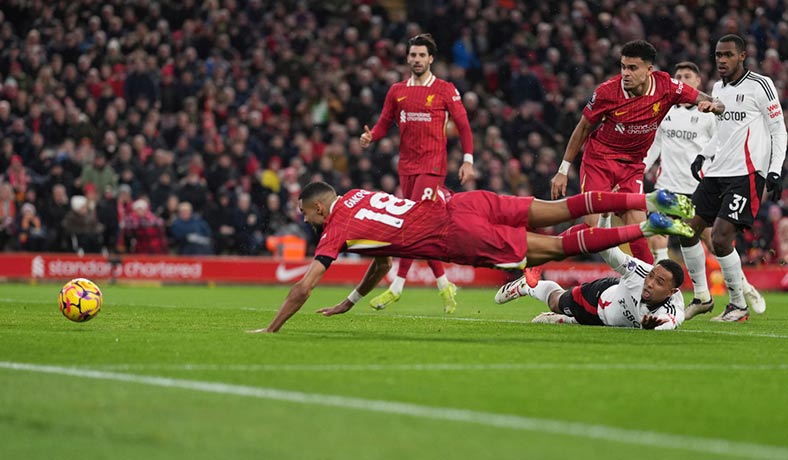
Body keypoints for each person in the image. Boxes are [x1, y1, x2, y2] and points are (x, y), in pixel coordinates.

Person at [249, 181, 696, 333]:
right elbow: (382, 261)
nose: (306, 220)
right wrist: (351, 300)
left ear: (319, 208)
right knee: (560, 210)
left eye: (306, 213)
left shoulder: (336, 227)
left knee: (557, 246)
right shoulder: (356, 198)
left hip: (456, 234)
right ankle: (647, 200)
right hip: (466, 202)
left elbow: (304, 286)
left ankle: (644, 227)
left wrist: (270, 328)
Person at [550, 40, 724, 265]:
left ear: (649, 70)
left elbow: (709, 100)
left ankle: (649, 293)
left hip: (632, 167)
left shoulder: (666, 86)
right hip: (600, 161)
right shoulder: (607, 92)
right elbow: (583, 127)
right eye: (623, 67)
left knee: (639, 234)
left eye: (633, 68)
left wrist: (714, 106)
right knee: (592, 228)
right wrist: (563, 169)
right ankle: (545, 258)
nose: (626, 73)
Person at [359, 33, 475, 313]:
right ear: (407, 58)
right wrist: (370, 137)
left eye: (422, 55)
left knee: (410, 224)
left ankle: (396, 286)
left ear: (431, 58)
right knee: (417, 229)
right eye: (413, 55)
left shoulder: (446, 89)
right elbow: (384, 123)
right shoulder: (397, 91)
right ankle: (444, 283)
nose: (417, 59)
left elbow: (464, 126)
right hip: (406, 168)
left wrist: (468, 160)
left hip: (433, 167)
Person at [679, 34, 787, 322]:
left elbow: (778, 129)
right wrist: (704, 155)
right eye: (718, 55)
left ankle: (738, 305)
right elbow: (722, 133)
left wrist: (775, 169)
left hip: (746, 172)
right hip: (717, 171)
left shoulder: (761, 85)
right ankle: (702, 296)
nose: (721, 60)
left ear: (742, 56)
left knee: (721, 238)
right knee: (686, 230)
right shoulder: (717, 89)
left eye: (727, 55)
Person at [495, 214, 685, 330]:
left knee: (587, 323)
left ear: (671, 292)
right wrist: (604, 218)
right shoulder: (639, 272)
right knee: (556, 302)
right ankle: (526, 286)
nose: (650, 282)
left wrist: (654, 327)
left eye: (659, 282)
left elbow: (670, 322)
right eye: (652, 276)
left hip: (608, 322)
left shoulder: (672, 308)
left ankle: (568, 320)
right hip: (599, 299)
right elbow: (609, 251)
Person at [643, 61, 717, 264]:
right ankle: (664, 285)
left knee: (713, 240)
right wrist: (640, 169)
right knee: (658, 233)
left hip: (697, 188)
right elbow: (654, 146)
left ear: (698, 81)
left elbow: (718, 147)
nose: (682, 81)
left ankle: (740, 287)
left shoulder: (709, 113)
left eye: (687, 77)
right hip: (666, 186)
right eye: (679, 77)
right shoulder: (664, 109)